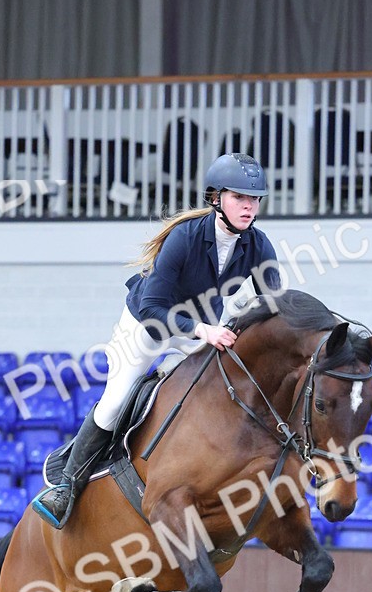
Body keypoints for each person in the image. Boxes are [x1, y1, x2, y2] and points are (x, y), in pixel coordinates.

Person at [33, 152, 281, 527]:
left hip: (200, 325)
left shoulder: (259, 246)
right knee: (117, 400)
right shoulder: (184, 238)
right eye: (239, 198)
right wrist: (205, 331)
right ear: (216, 199)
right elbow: (153, 308)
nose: (249, 207)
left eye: (254, 199)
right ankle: (68, 485)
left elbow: (274, 307)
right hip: (147, 324)